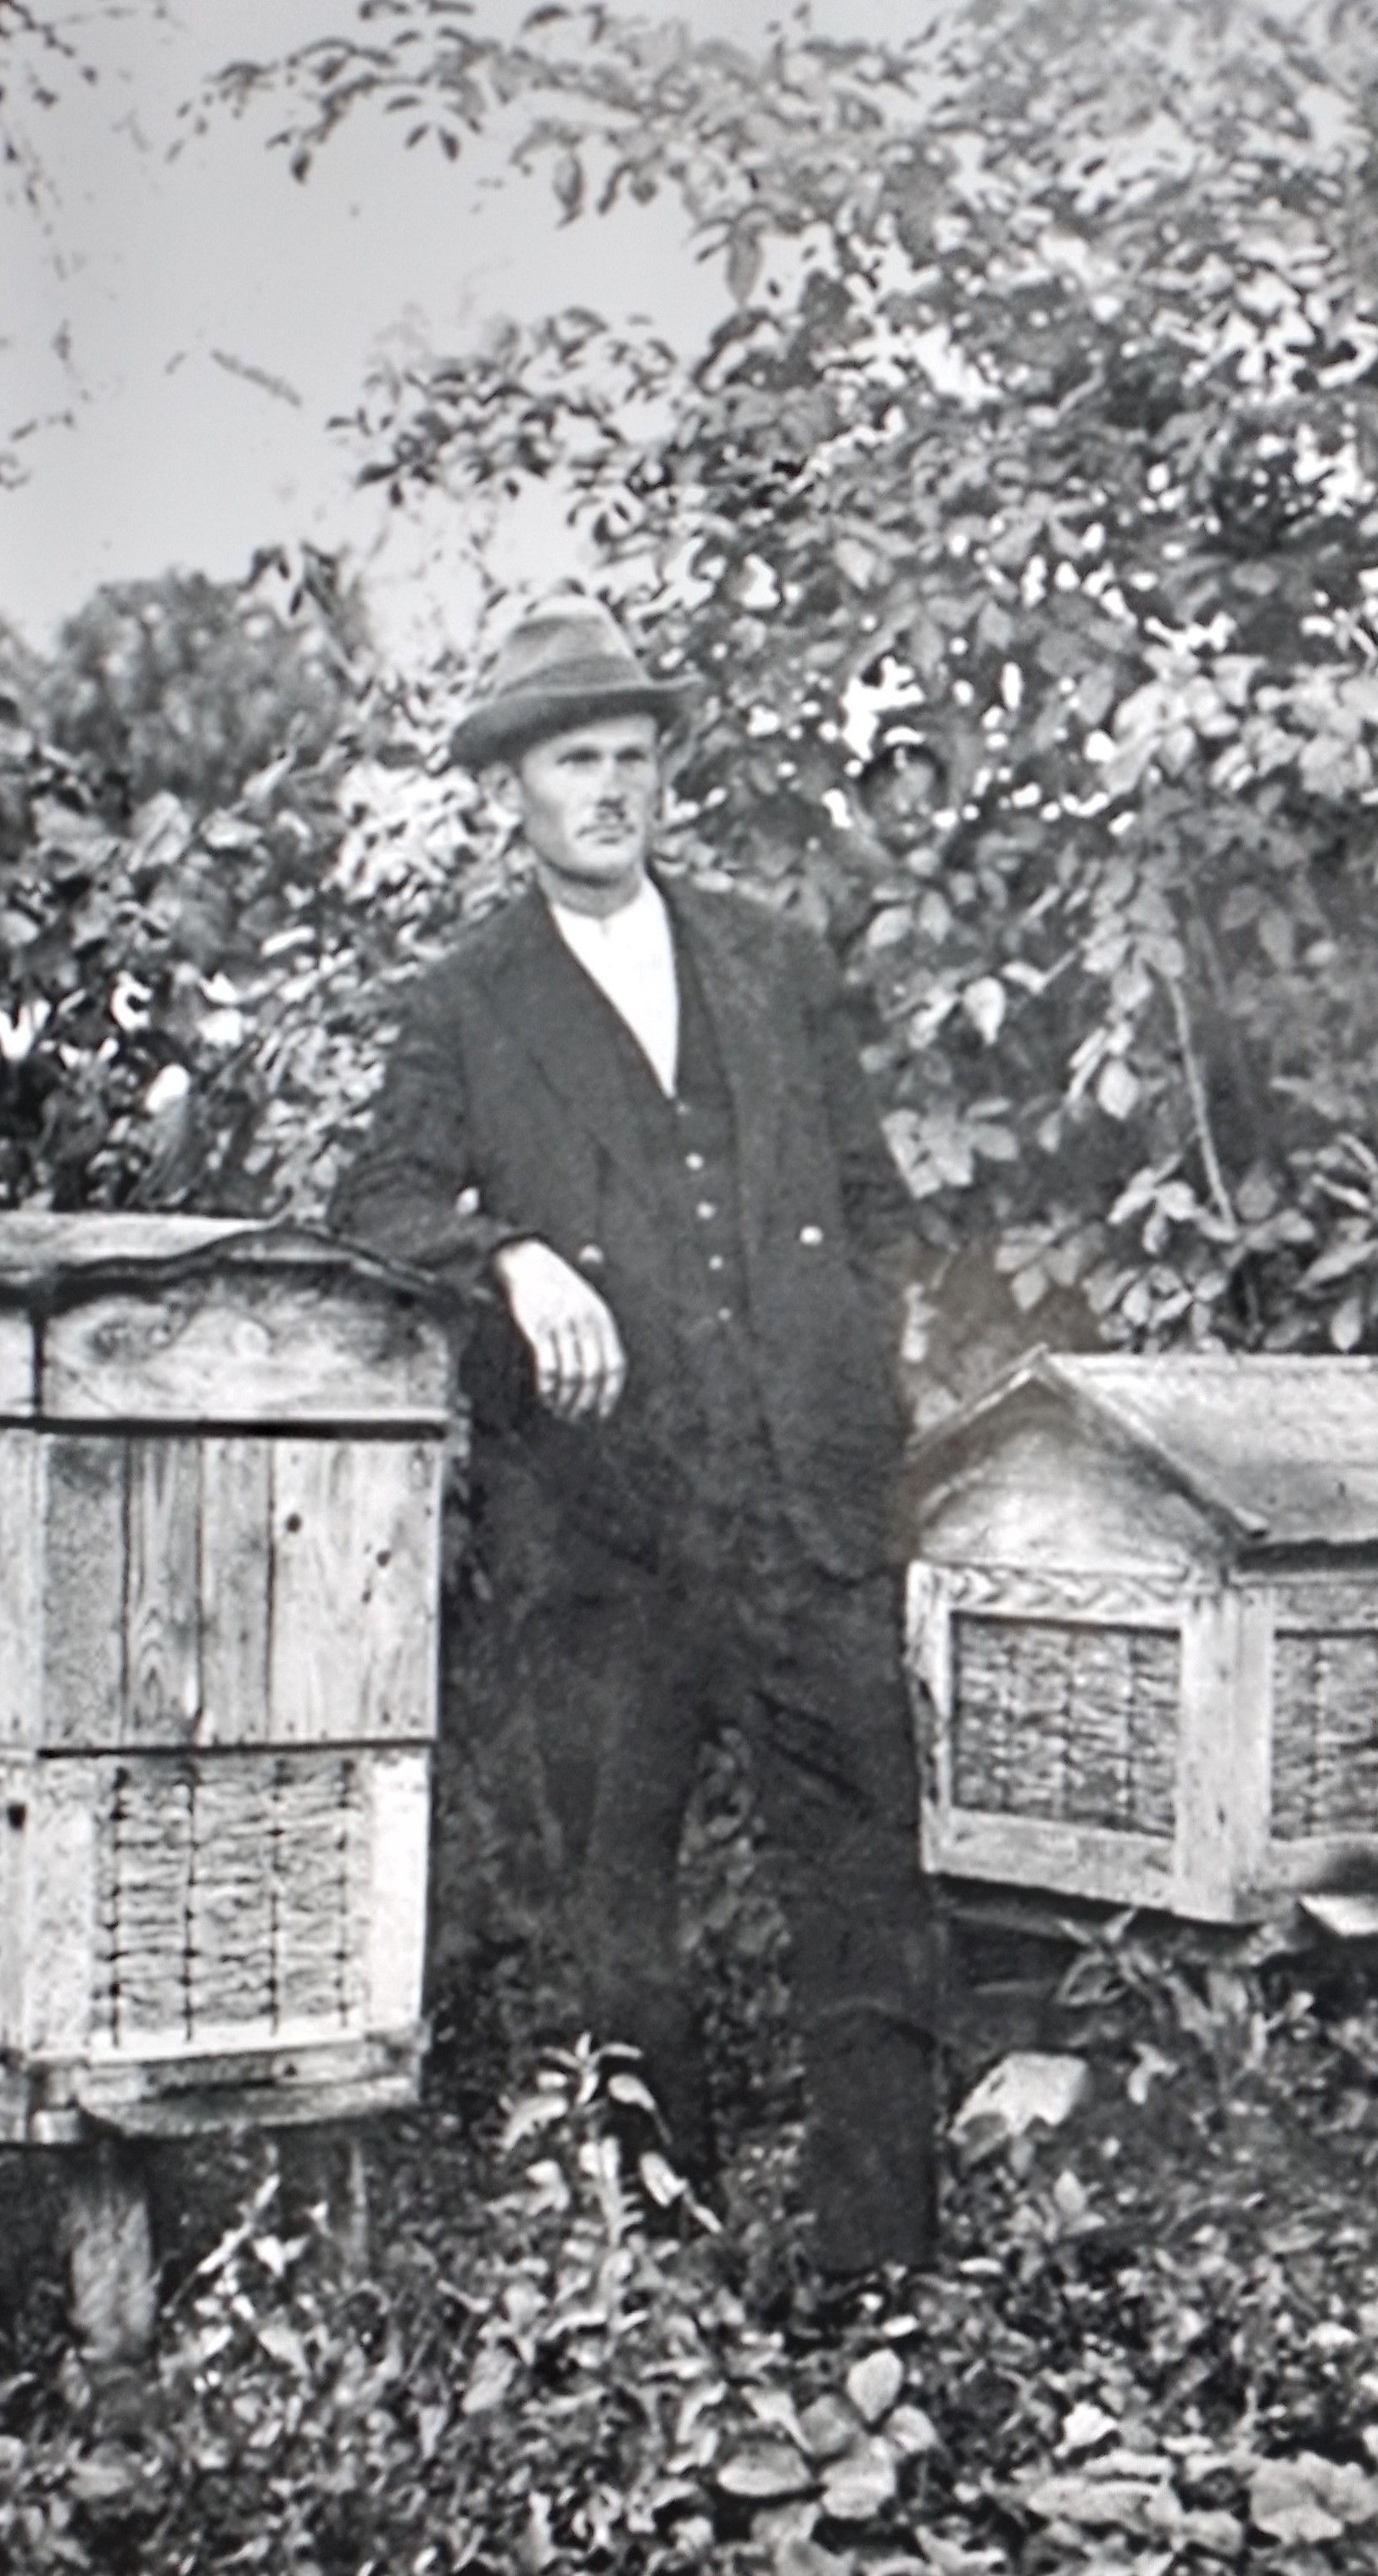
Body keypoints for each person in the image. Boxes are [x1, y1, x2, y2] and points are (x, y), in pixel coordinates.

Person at [334, 592, 939, 2277]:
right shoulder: (463, 997)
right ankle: (663, 2266)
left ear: (666, 769)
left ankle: (878, 2263)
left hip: (807, 1498)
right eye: (572, 761)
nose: (609, 790)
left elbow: (875, 1203)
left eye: (632, 756)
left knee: (863, 1875)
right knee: (616, 1888)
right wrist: (510, 1255)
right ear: (504, 793)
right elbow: (378, 1199)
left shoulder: (767, 953)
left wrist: (858, 1380)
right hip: (605, 1525)